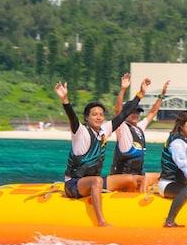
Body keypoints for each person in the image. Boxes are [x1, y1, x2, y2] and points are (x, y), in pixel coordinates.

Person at [53, 76, 151, 227]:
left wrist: (140, 94)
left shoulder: (104, 130)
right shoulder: (81, 132)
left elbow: (123, 114)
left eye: (101, 114)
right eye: (94, 114)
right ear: (86, 118)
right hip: (74, 183)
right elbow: (72, 119)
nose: (98, 117)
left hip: (93, 181)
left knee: (135, 179)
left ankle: (134, 212)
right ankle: (101, 221)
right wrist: (65, 101)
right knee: (97, 180)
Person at [111, 76, 187, 192]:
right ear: (126, 113)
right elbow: (118, 111)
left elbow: (153, 111)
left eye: (137, 112)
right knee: (141, 180)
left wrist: (162, 95)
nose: (135, 114)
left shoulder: (139, 128)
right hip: (122, 176)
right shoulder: (122, 128)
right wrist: (123, 89)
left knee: (158, 176)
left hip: (137, 175)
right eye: (131, 112)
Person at [158, 111, 187, 228]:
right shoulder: (177, 143)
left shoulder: (186, 139)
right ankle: (169, 221)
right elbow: (184, 166)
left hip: (183, 183)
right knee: (185, 191)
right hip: (168, 184)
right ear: (182, 124)